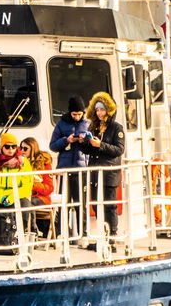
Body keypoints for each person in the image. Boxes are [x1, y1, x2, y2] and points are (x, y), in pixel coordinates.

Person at [83, 92, 125, 246]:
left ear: (109, 110)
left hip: (109, 172)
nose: (99, 113)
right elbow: (89, 151)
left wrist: (100, 144)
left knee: (109, 205)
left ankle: (112, 236)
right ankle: (102, 235)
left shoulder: (116, 128)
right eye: (97, 110)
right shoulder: (93, 126)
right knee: (96, 204)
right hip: (95, 171)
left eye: (102, 109)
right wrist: (83, 143)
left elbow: (119, 149)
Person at [0, 132, 33, 251]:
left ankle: (15, 236)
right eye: (7, 147)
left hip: (16, 197)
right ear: (1, 147)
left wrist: (11, 198)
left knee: (25, 206)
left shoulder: (23, 163)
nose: (10, 149)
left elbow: (26, 186)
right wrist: (1, 198)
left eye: (13, 147)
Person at [49, 96, 90, 236]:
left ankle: (82, 233)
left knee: (81, 203)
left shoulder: (88, 124)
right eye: (74, 114)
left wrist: (85, 141)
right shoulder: (61, 124)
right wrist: (66, 140)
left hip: (81, 169)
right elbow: (53, 146)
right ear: (70, 112)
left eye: (80, 114)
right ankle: (61, 232)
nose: (77, 117)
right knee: (63, 203)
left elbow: (93, 145)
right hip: (65, 169)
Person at [19, 137, 54, 236]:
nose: (22, 151)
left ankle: (31, 232)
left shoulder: (44, 163)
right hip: (23, 195)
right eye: (20, 148)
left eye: (25, 149)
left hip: (40, 198)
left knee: (29, 203)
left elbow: (49, 188)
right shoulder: (19, 163)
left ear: (33, 148)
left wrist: (33, 184)